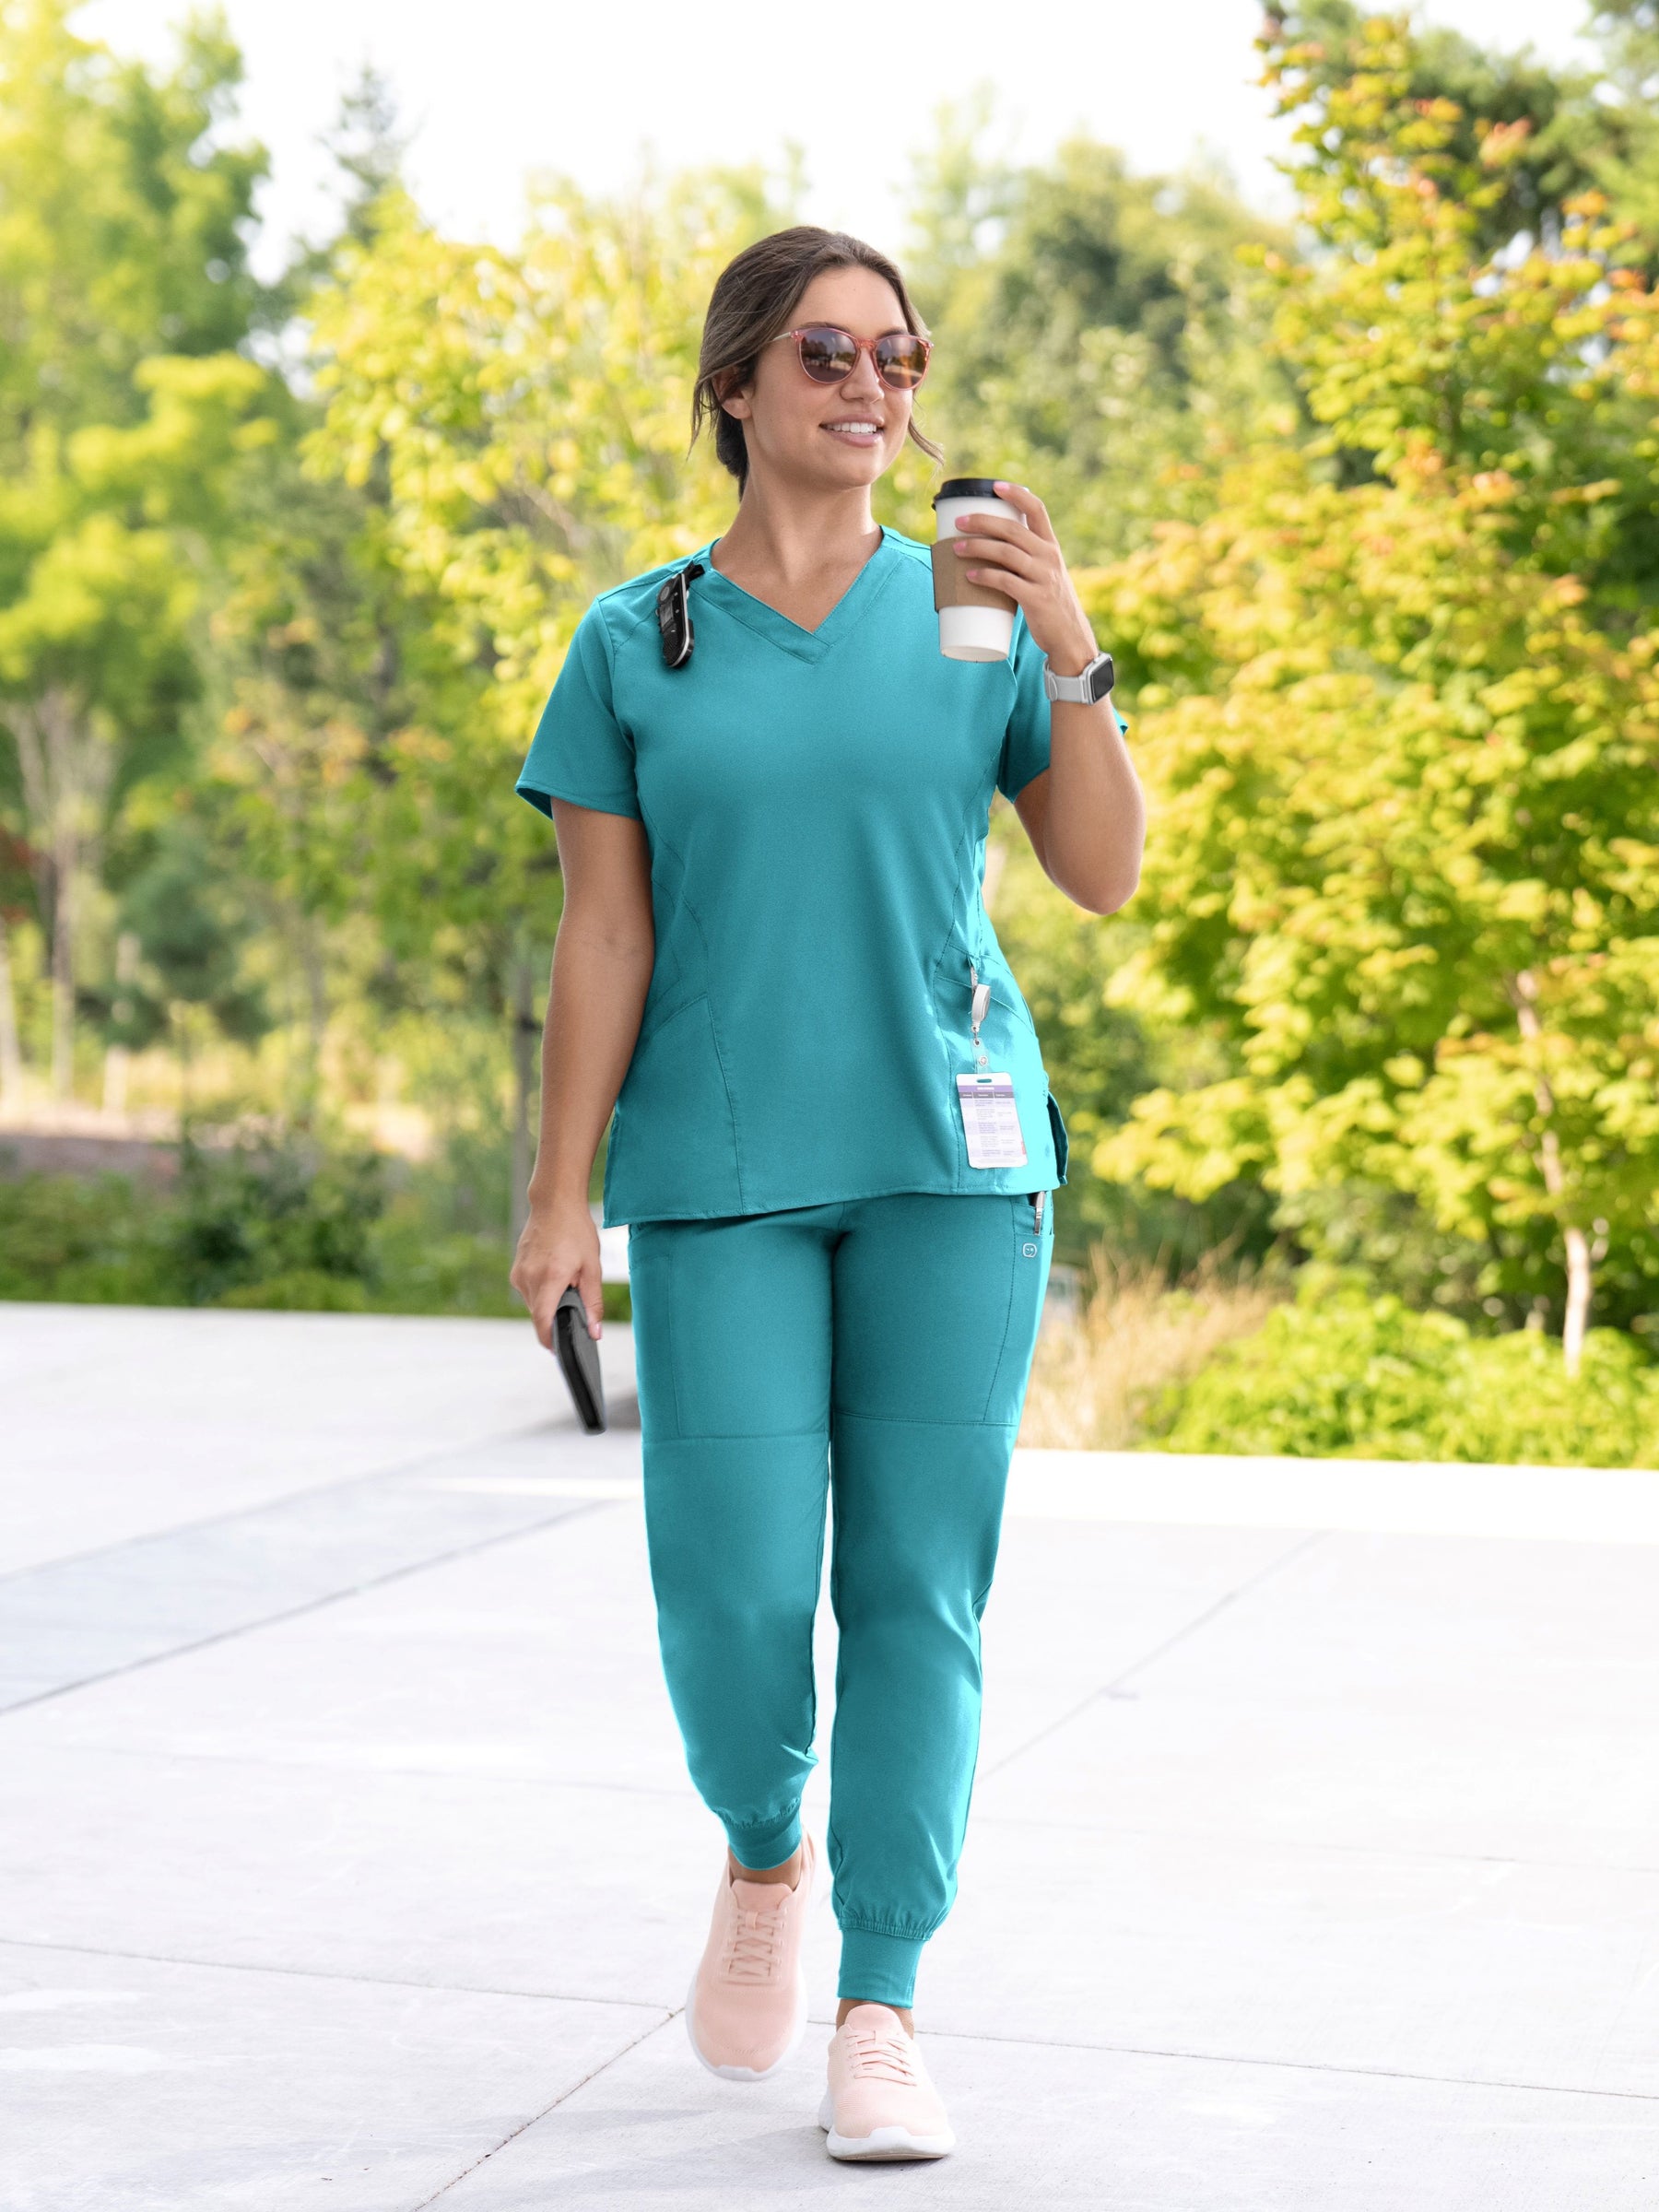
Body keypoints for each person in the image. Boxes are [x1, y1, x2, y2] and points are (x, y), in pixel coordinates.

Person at [510, 225, 1145, 2163]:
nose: (871, 389)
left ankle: (885, 1999)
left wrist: (1074, 649)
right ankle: (765, 1849)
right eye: (824, 356)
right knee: (735, 1586)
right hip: (720, 1175)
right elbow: (602, 940)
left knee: (915, 1597)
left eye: (898, 357)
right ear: (736, 390)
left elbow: (1104, 871)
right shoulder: (640, 638)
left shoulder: (968, 613)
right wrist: (556, 1206)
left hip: (955, 1166)